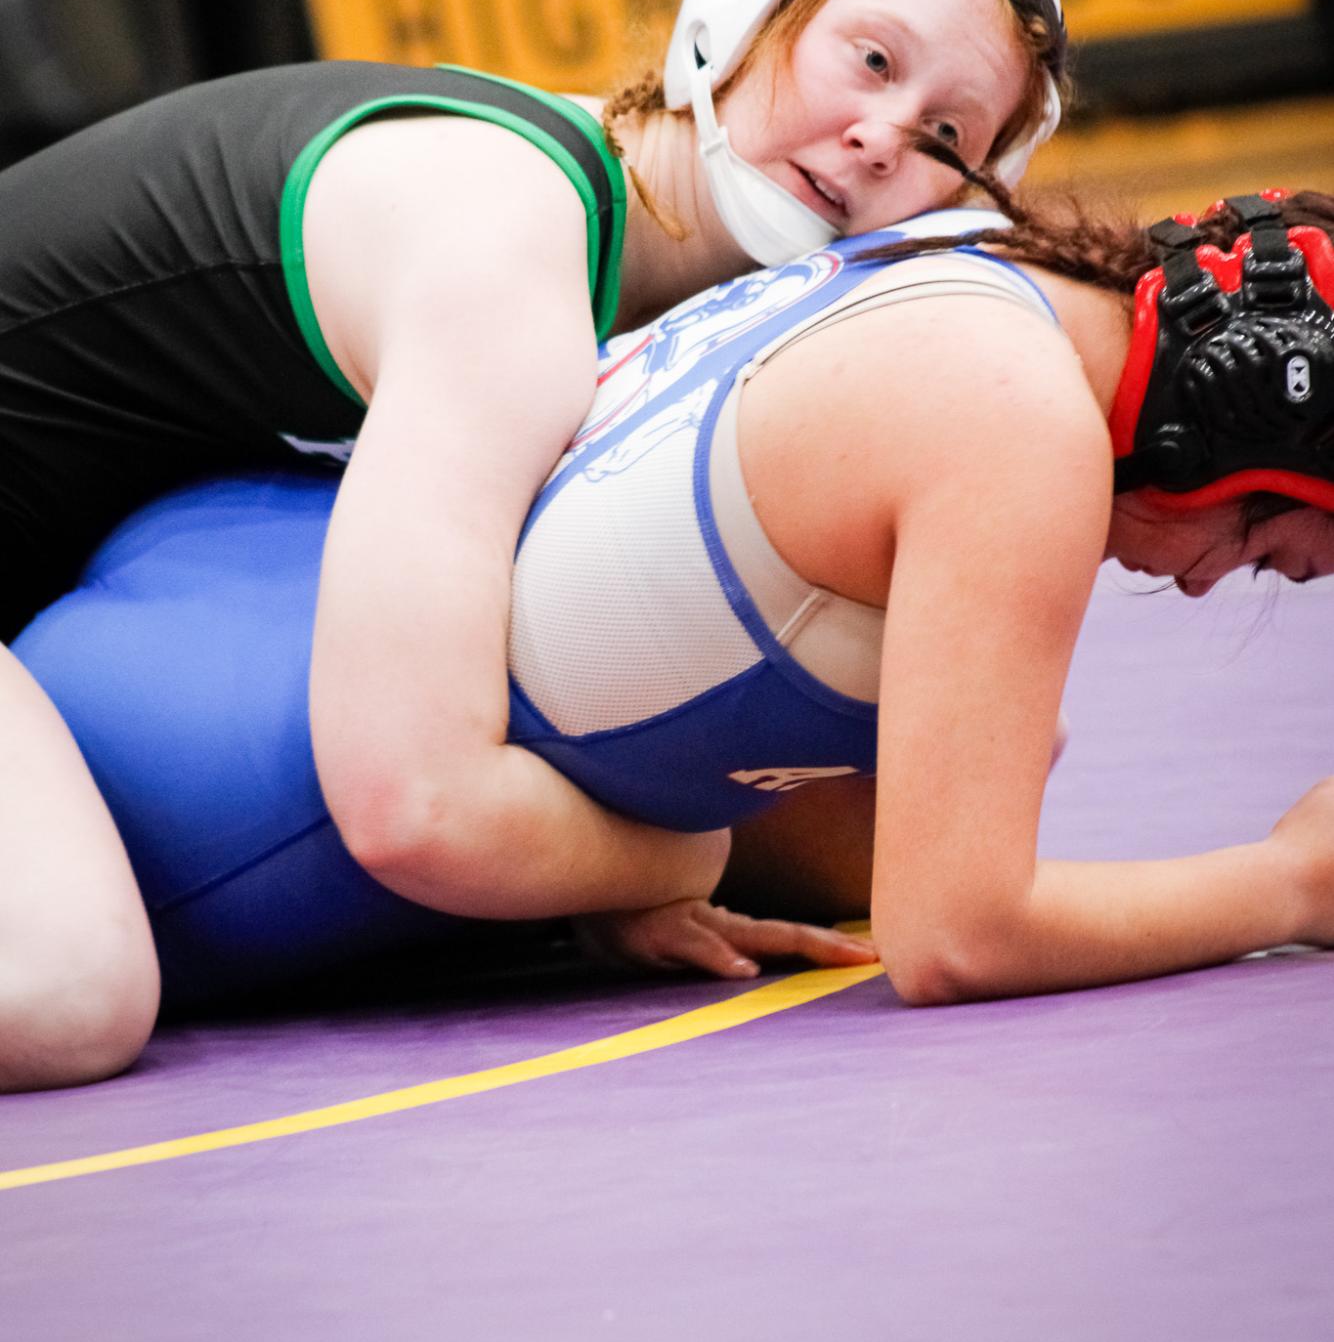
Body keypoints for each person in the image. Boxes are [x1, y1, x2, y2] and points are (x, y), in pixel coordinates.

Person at [0, 0, 1068, 1087]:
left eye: (948, 137)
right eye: (870, 62)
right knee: (69, 986)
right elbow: (414, 802)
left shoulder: (606, 250)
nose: (884, 140)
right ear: (749, 7)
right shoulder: (508, 264)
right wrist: (669, 856)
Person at [11, 189, 1334, 1087]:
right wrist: (1290, 882)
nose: (1222, 588)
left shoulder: (962, 258)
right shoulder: (1017, 424)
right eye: (1269, 548)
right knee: (74, 1002)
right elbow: (958, 934)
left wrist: (618, 866)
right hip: (141, 807)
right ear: (1211, 437)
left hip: (203, 601)